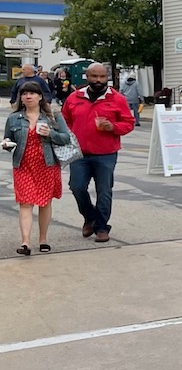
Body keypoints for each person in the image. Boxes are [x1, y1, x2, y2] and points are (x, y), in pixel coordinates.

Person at [61, 62, 135, 243]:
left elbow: (129, 123)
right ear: (87, 77)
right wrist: (69, 136)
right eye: (94, 76)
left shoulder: (117, 99)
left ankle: (102, 227)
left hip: (106, 153)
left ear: (107, 77)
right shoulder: (74, 97)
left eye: (102, 77)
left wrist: (113, 127)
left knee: (104, 191)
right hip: (79, 154)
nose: (99, 80)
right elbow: (64, 121)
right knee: (77, 187)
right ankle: (90, 217)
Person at [4, 81, 73, 255]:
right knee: (25, 203)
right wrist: (6, 143)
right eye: (25, 93)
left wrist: (51, 134)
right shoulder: (14, 118)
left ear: (40, 96)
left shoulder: (53, 117)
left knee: (44, 202)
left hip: (47, 165)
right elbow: (8, 138)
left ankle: (43, 239)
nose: (28, 96)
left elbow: (66, 138)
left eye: (32, 93)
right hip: (23, 165)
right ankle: (25, 242)